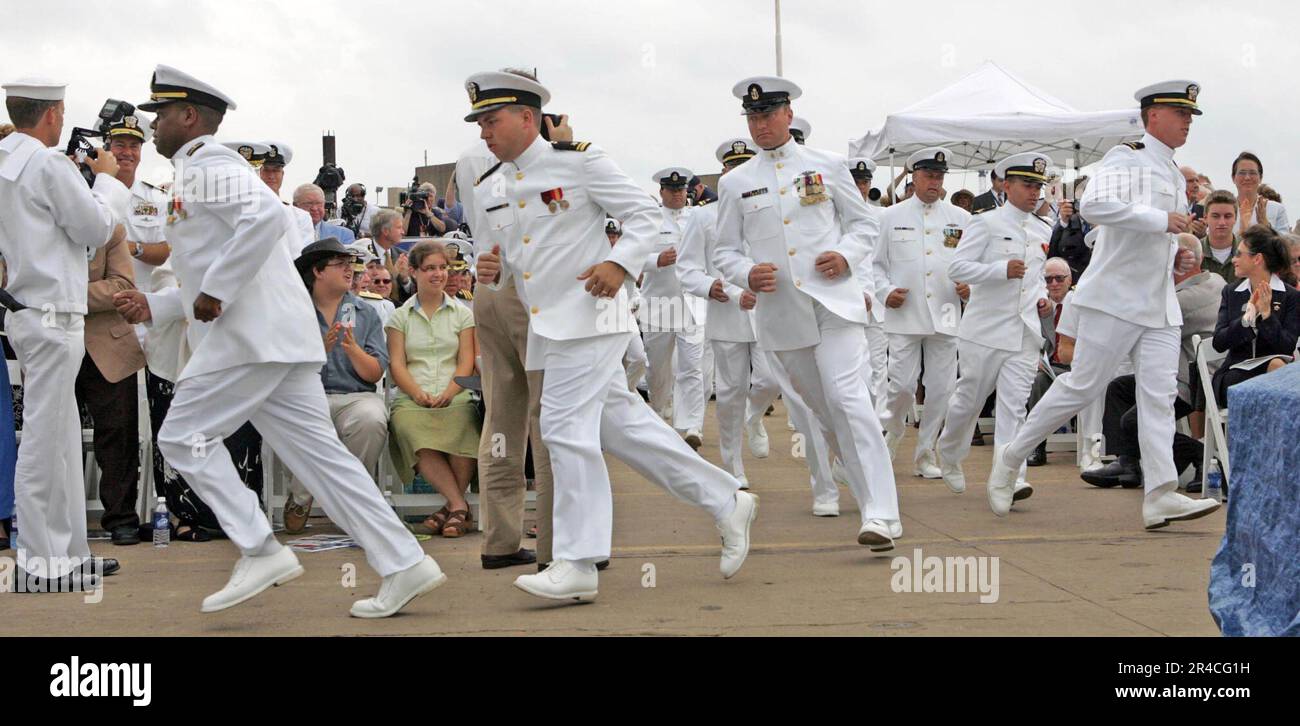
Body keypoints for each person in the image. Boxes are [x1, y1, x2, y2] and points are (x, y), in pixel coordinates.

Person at [116, 64, 442, 617]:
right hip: (274, 340)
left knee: (182, 437)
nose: (153, 125)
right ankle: (405, 562)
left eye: (162, 114)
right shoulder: (194, 172)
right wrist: (163, 303)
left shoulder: (209, 166)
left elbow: (264, 217)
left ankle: (260, 548)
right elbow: (222, 263)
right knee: (322, 461)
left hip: (250, 341)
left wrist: (215, 292)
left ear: (190, 117)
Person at [467, 70, 755, 600]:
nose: (484, 131)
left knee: (562, 430)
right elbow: (516, 256)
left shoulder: (579, 162)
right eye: (479, 122)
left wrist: (619, 264)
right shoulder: (491, 185)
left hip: (594, 315)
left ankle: (577, 562)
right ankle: (725, 498)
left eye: (493, 120)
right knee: (619, 424)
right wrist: (493, 268)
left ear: (527, 118)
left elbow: (644, 215)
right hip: (547, 324)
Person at [985, 80, 1221, 530]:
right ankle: (1011, 456)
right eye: (1181, 113)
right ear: (1153, 116)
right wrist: (1159, 220)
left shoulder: (1172, 172)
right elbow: (1094, 205)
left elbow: (1142, 239)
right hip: (1115, 299)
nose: (1188, 122)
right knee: (1082, 387)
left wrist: (1175, 253)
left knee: (1157, 396)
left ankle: (1159, 494)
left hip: (1157, 304)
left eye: (1191, 115)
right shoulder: (1127, 157)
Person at [714, 74, 899, 548]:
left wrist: (846, 256)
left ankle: (881, 513)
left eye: (768, 114)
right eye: (753, 117)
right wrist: (746, 274)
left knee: (849, 399)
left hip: (833, 304)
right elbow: (724, 253)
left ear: (789, 115)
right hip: (782, 316)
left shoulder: (829, 165)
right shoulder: (736, 182)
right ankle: (869, 503)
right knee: (825, 414)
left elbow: (863, 227)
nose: (761, 124)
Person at [0, 77, 129, 589]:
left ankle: (68, 552)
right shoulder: (46, 162)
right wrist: (106, 181)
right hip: (52, 314)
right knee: (45, 444)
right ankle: (37, 560)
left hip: (34, 311)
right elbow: (95, 229)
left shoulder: (7, 161)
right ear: (52, 115)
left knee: (59, 442)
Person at [937, 152, 1053, 500]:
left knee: (1015, 408)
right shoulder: (985, 223)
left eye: (1038, 186)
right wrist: (998, 271)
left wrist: (1044, 297)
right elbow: (958, 268)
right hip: (985, 330)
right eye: (1027, 185)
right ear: (1006, 185)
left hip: (1023, 332)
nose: (1034, 193)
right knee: (968, 401)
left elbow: (1036, 279)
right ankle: (950, 453)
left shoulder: (1043, 228)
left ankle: (1010, 477)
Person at [1083, 234, 1224, 489]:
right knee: (1118, 389)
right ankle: (1127, 463)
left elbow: (1142, 324)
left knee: (1134, 421)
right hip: (1179, 373)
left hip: (1191, 383)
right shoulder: (1211, 281)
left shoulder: (1191, 296)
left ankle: (1202, 455)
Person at [677, 139, 775, 489]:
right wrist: (710, 288)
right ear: (724, 173)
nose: (739, 175)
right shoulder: (703, 216)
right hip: (726, 316)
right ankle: (733, 464)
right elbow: (687, 269)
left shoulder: (773, 208)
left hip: (770, 312)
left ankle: (755, 418)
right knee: (731, 391)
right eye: (732, 168)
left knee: (770, 380)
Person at [280, 239, 392, 534]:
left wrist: (352, 348)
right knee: (306, 420)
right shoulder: (292, 311)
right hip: (305, 394)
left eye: (350, 264)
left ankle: (350, 503)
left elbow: (375, 372)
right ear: (317, 271)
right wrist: (320, 350)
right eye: (340, 264)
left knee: (371, 419)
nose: (349, 270)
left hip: (355, 396)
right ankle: (301, 497)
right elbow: (282, 369)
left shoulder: (365, 312)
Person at [873, 146, 970, 478]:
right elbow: (873, 266)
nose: (935, 182)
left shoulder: (960, 218)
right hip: (905, 314)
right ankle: (893, 433)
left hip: (945, 313)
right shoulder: (890, 217)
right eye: (929, 175)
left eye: (940, 177)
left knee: (942, 388)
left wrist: (971, 288)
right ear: (913, 176)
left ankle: (926, 452)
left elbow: (972, 266)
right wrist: (884, 292)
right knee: (901, 385)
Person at [385, 239, 481, 539]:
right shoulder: (399, 316)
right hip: (414, 395)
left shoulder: (463, 313)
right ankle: (458, 506)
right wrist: (417, 394)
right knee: (409, 428)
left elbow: (466, 361)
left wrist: (450, 392)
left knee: (465, 422)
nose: (438, 274)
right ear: (413, 272)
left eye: (442, 268)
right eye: (429, 269)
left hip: (456, 392)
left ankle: (449, 510)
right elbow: (397, 365)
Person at [76, 178, 148, 546]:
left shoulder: (112, 229)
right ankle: (62, 521)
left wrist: (62, 292)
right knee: (56, 438)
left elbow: (122, 285)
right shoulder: (40, 228)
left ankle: (121, 519)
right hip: (55, 345)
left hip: (108, 348)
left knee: (118, 436)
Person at [641, 166, 707, 448]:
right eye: (673, 190)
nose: (678, 194)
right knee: (658, 370)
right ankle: (656, 413)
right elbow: (632, 256)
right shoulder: (650, 220)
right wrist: (657, 260)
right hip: (659, 305)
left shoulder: (698, 219)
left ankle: (692, 426)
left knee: (692, 368)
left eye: (682, 190)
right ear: (662, 192)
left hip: (692, 305)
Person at [1211, 225, 1300, 406]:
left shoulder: (1291, 296)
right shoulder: (1231, 291)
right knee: (1277, 374)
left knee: (1276, 365)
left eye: (1239, 254)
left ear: (1257, 259)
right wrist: (1248, 318)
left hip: (1275, 371)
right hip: (1234, 374)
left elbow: (1286, 346)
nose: (1234, 259)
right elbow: (1219, 343)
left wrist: (1268, 316)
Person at [1025, 257, 1075, 466]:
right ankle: (1036, 446)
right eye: (1048, 279)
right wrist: (1036, 359)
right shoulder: (1041, 308)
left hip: (1076, 365)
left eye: (1059, 278)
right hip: (1050, 366)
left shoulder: (1079, 302)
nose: (1053, 283)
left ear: (1069, 279)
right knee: (1036, 379)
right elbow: (1031, 341)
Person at [848, 157, 888, 407]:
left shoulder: (883, 215)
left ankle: (878, 418)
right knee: (853, 365)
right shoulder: (836, 215)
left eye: (865, 182)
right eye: (856, 181)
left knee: (879, 364)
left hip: (879, 302)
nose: (861, 187)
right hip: (850, 301)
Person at [1230, 152, 1291, 235]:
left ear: (1260, 178)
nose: (1247, 177)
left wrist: (1266, 226)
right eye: (1242, 173)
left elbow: (1286, 244)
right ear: (1233, 178)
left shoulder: (1276, 209)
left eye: (1252, 173)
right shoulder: (1225, 209)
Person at [1048, 176, 1093, 281]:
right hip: (1072, 282)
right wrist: (1063, 222)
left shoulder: (1105, 222)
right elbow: (1052, 254)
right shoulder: (1066, 223)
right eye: (1080, 199)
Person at [1200, 189, 1242, 287]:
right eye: (1215, 216)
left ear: (1235, 218)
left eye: (1228, 216)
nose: (1222, 222)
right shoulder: (1194, 252)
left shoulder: (1249, 251)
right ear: (1205, 218)